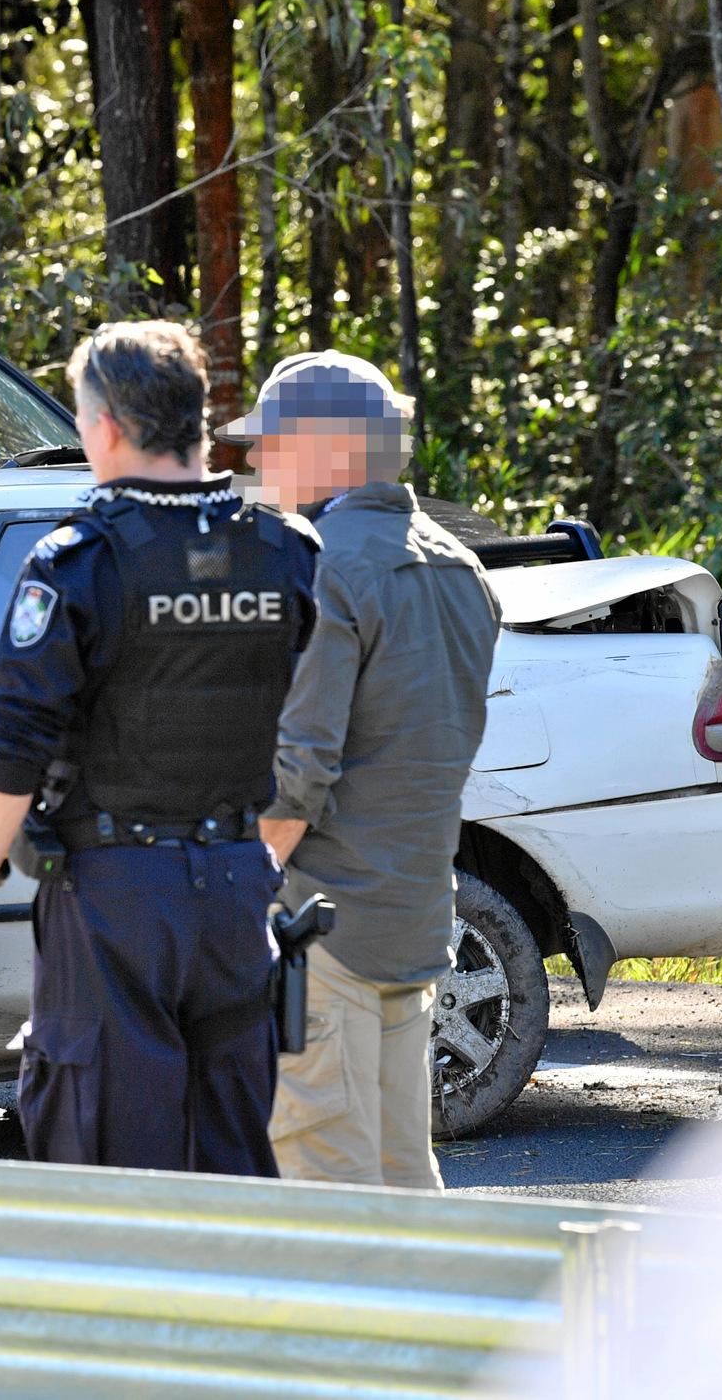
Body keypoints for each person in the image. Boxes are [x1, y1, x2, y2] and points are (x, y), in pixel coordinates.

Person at [0, 321, 320, 1175]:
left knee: (107, 1171)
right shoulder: (287, 554)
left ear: (103, 426)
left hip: (115, 905)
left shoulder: (79, 563)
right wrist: (258, 859)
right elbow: (321, 734)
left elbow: (9, 751)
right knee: (232, 1167)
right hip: (235, 893)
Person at [226, 349, 501, 1191]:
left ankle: (354, 1330)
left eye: (270, 442)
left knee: (327, 1192)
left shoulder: (323, 564)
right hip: (414, 917)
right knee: (403, 1176)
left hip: (321, 937)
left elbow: (298, 768)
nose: (254, 462)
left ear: (330, 448)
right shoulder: (463, 567)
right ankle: (431, 1327)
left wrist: (234, 895)